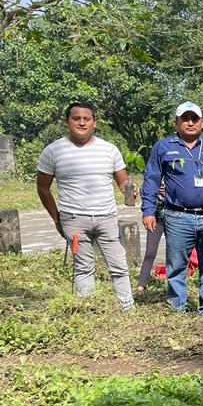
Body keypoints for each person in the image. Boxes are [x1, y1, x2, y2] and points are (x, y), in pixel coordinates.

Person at [36, 101, 135, 310]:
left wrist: (129, 190)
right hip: (73, 220)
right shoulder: (53, 151)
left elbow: (122, 181)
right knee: (82, 267)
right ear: (67, 122)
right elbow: (43, 189)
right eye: (76, 118)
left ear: (94, 122)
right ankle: (88, 311)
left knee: (118, 265)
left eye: (86, 119)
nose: (82, 123)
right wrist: (57, 218)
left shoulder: (109, 149)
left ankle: (127, 309)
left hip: (106, 217)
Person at [141, 101, 203, 314]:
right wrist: (148, 211)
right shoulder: (164, 147)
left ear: (202, 123)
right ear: (176, 123)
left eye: (194, 119)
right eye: (185, 119)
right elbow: (152, 179)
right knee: (176, 266)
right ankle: (177, 309)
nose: (190, 123)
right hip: (177, 216)